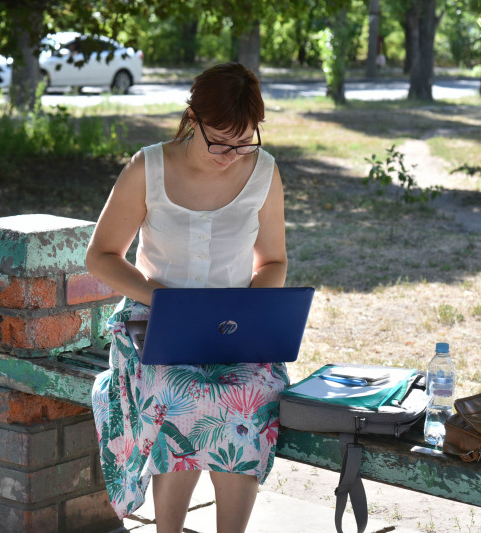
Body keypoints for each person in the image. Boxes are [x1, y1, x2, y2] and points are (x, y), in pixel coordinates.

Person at [86, 62, 288, 533]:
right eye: (220, 140)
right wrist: (160, 299)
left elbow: (274, 261)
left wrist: (251, 312)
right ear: (192, 118)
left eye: (244, 142)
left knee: (249, 398)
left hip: (233, 325)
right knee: (180, 397)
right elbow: (102, 256)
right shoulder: (149, 167)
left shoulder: (264, 172)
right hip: (154, 319)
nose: (230, 154)